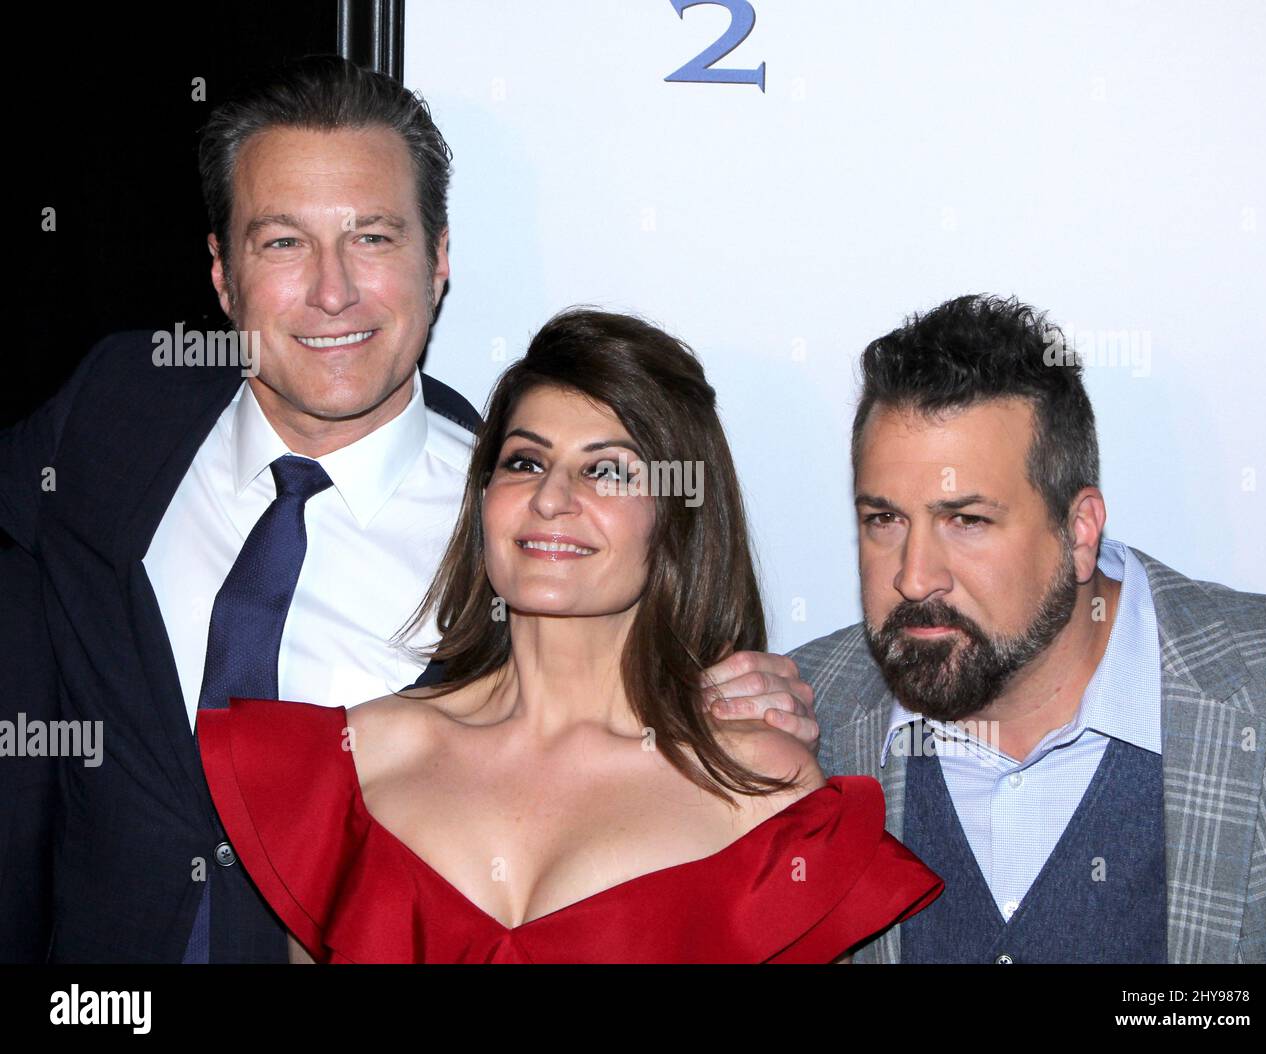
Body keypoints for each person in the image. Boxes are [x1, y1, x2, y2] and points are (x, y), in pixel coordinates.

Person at [0, 56, 815, 964]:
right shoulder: (119, 408)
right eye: (282, 243)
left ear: (440, 261)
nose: (333, 290)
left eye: (374, 239)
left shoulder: (529, 531)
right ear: (222, 277)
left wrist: (717, 691)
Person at [195, 308, 945, 963]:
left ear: (676, 521)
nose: (552, 498)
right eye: (525, 462)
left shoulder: (758, 790)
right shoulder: (348, 772)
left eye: (608, 472)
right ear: (485, 497)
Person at [790, 294, 1266, 964]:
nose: (915, 579)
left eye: (966, 521)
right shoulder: (795, 726)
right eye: (884, 520)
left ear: (1079, 530)